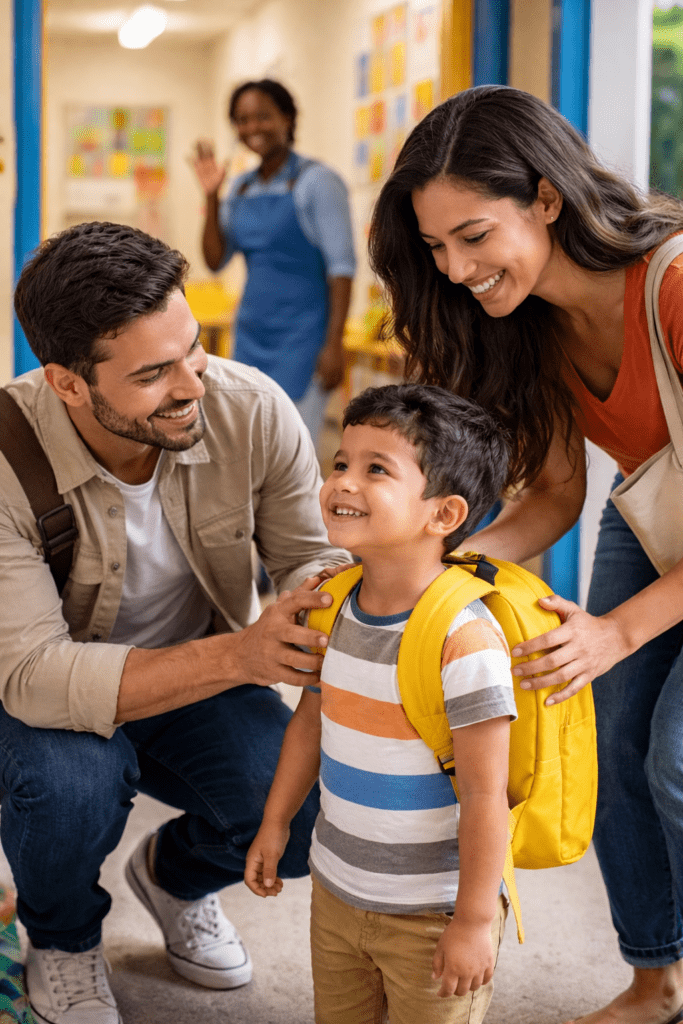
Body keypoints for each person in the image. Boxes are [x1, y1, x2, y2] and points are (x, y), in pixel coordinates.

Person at [367, 84, 683, 1024]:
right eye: (434, 248)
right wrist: (431, 570)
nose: (456, 269)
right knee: (610, 747)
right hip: (654, 510)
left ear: (546, 197)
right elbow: (551, 494)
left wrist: (618, 630)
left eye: (473, 235)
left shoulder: (670, 285)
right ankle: (655, 977)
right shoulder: (530, 321)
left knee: (673, 757)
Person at [2, 220, 350, 1024]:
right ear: (66, 382)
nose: (193, 383)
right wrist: (245, 655)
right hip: (51, 689)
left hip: (199, 669)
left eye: (192, 347)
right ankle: (59, 938)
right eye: (154, 373)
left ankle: (172, 878)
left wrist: (331, 593)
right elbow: (30, 675)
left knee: (303, 810)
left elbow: (304, 553)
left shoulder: (250, 407)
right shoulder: (5, 456)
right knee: (68, 788)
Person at [245, 383, 515, 1024]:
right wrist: (277, 822)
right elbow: (312, 718)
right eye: (341, 462)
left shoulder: (465, 638)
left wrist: (475, 920)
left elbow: (484, 793)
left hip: (432, 911)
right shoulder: (334, 603)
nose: (343, 482)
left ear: (443, 515)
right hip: (337, 894)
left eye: (376, 469)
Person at [193, 78, 356, 448]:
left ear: (287, 117)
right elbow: (215, 261)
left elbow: (342, 269)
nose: (252, 128)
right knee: (247, 449)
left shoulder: (318, 182)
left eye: (262, 117)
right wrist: (212, 196)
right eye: (242, 120)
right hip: (252, 335)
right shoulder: (240, 187)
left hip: (304, 338)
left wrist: (335, 345)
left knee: (295, 449)